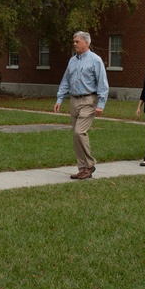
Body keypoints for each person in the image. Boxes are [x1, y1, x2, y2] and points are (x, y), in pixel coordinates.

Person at [54, 32, 110, 179]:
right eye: (74, 41)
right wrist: (60, 99)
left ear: (86, 43)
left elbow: (103, 84)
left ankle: (90, 164)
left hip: (88, 100)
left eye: (77, 41)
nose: (75, 44)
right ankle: (82, 168)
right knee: (75, 135)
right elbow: (66, 80)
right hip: (74, 100)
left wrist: (101, 104)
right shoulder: (72, 61)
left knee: (80, 132)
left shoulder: (95, 60)